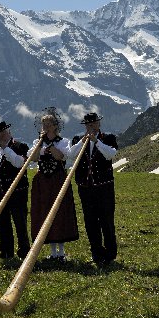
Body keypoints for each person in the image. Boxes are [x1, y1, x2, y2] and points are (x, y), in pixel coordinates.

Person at [68, 112, 118, 266]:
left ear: (98, 124)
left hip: (104, 188)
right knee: (90, 222)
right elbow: (70, 155)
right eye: (88, 124)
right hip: (85, 187)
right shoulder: (78, 139)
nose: (91, 127)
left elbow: (111, 155)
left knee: (106, 220)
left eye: (93, 124)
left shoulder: (108, 138)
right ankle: (97, 253)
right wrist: (82, 142)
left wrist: (96, 141)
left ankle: (110, 254)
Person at [28, 112, 79, 262]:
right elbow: (34, 158)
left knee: (60, 212)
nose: (45, 128)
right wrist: (40, 144)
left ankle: (61, 251)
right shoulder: (37, 142)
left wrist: (48, 146)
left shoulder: (63, 141)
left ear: (55, 126)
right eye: (43, 125)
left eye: (48, 125)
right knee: (44, 211)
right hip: (42, 181)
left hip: (58, 179)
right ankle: (52, 251)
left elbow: (60, 156)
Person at [0, 121, 30, 260]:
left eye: (3, 132)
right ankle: (6, 252)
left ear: (9, 131)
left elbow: (19, 163)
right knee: (2, 223)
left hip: (17, 190)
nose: (1, 135)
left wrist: (6, 149)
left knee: (20, 221)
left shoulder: (20, 146)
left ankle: (24, 252)